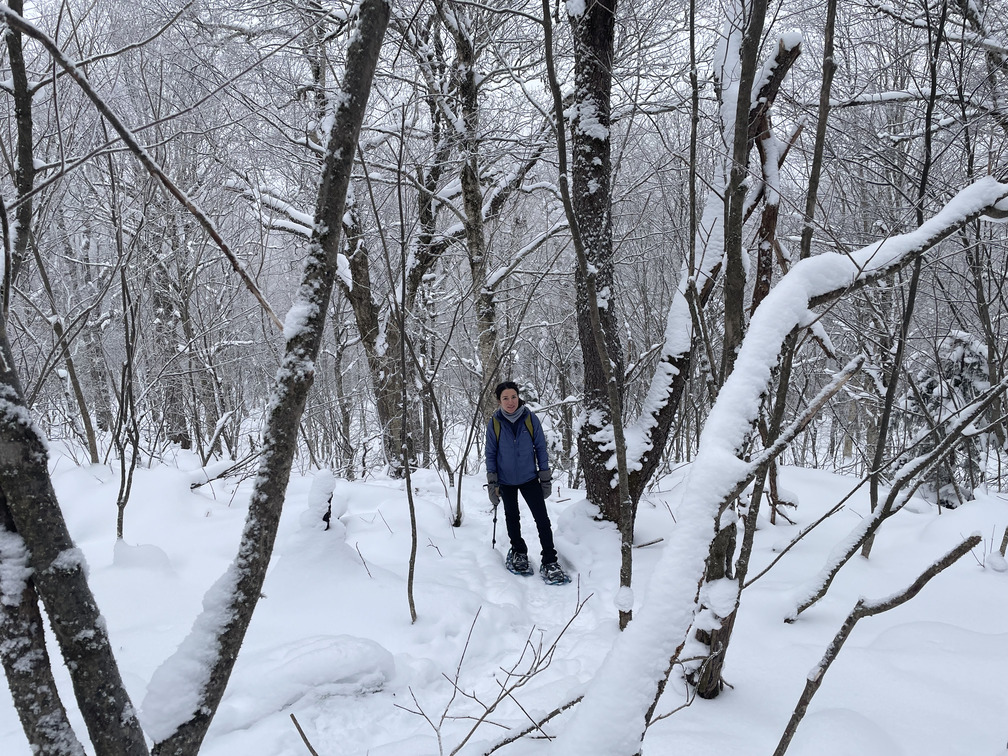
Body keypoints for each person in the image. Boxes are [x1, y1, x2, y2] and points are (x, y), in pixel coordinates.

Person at [485, 381, 568, 584]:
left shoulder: (530, 419)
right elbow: (490, 454)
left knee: (542, 519)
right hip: (505, 480)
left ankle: (550, 560)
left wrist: (545, 477)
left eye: (513, 397)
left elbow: (541, 448)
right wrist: (493, 483)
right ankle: (519, 552)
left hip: (530, 477)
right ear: (499, 401)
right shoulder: (494, 423)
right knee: (512, 517)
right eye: (505, 398)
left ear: (518, 397)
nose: (510, 401)